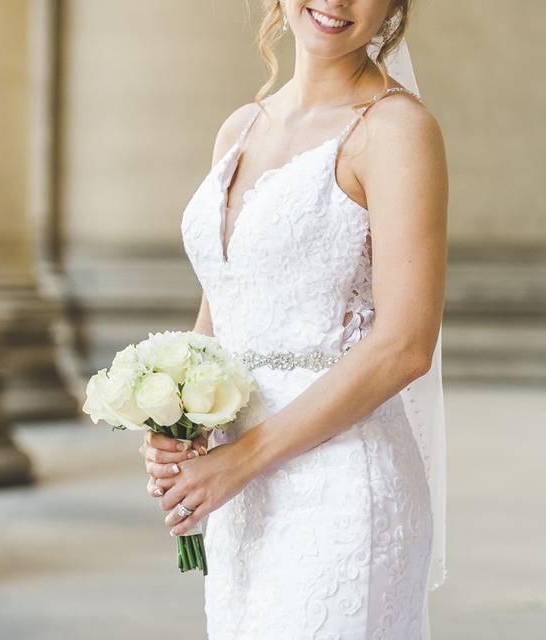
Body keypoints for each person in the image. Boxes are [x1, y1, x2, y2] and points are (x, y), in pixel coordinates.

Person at [139, 1, 447, 637]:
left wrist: (240, 460)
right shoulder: (240, 128)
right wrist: (176, 421)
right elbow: (221, 307)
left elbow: (405, 346)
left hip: (340, 488)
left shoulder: (394, 131)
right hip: (242, 500)